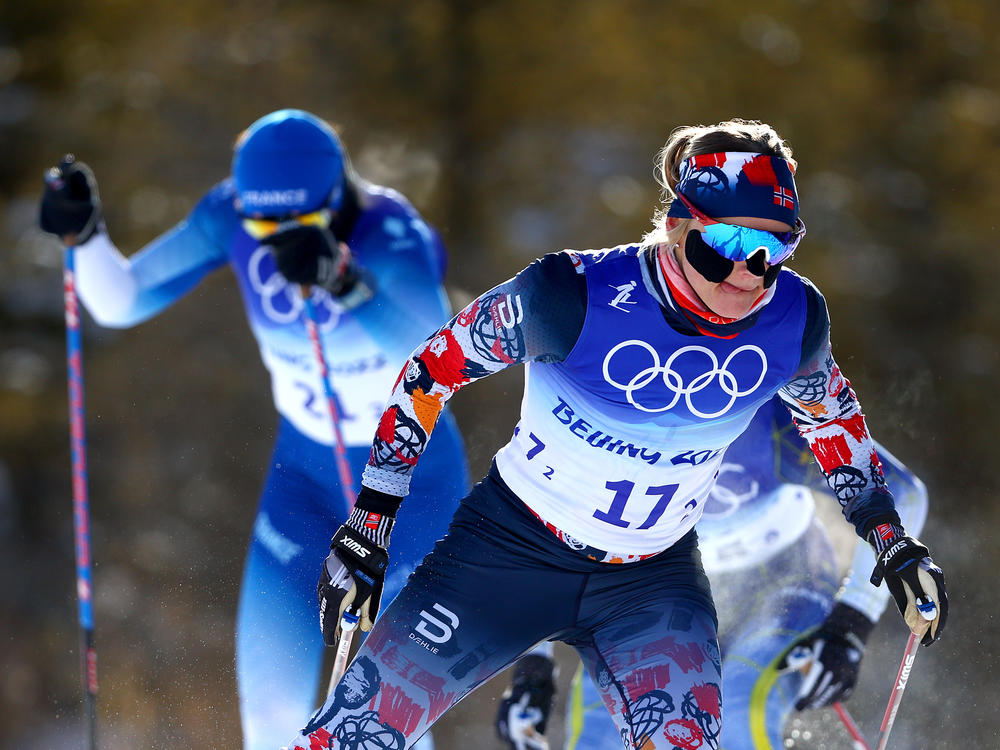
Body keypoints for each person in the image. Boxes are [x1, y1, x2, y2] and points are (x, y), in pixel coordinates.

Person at [284, 119, 948, 750]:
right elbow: (431, 372)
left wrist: (891, 547)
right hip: (510, 553)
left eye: (771, 250)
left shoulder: (794, 321)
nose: (745, 276)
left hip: (651, 580)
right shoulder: (569, 295)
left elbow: (833, 422)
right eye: (722, 249)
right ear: (676, 223)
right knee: (353, 736)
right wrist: (370, 526)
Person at [37, 109, 470, 750]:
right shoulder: (227, 214)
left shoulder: (391, 230)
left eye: (293, 224)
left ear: (337, 196)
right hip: (304, 478)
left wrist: (346, 282)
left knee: (387, 710)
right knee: (269, 709)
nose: (272, 239)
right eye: (260, 222)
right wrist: (87, 237)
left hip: (410, 484)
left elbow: (444, 351)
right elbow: (120, 300)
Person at [494, 395, 930, 750]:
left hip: (780, 581)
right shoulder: (600, 417)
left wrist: (848, 626)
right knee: (601, 735)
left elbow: (904, 494)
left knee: (742, 710)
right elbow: (543, 532)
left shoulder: (767, 419)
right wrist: (533, 668)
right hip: (656, 590)